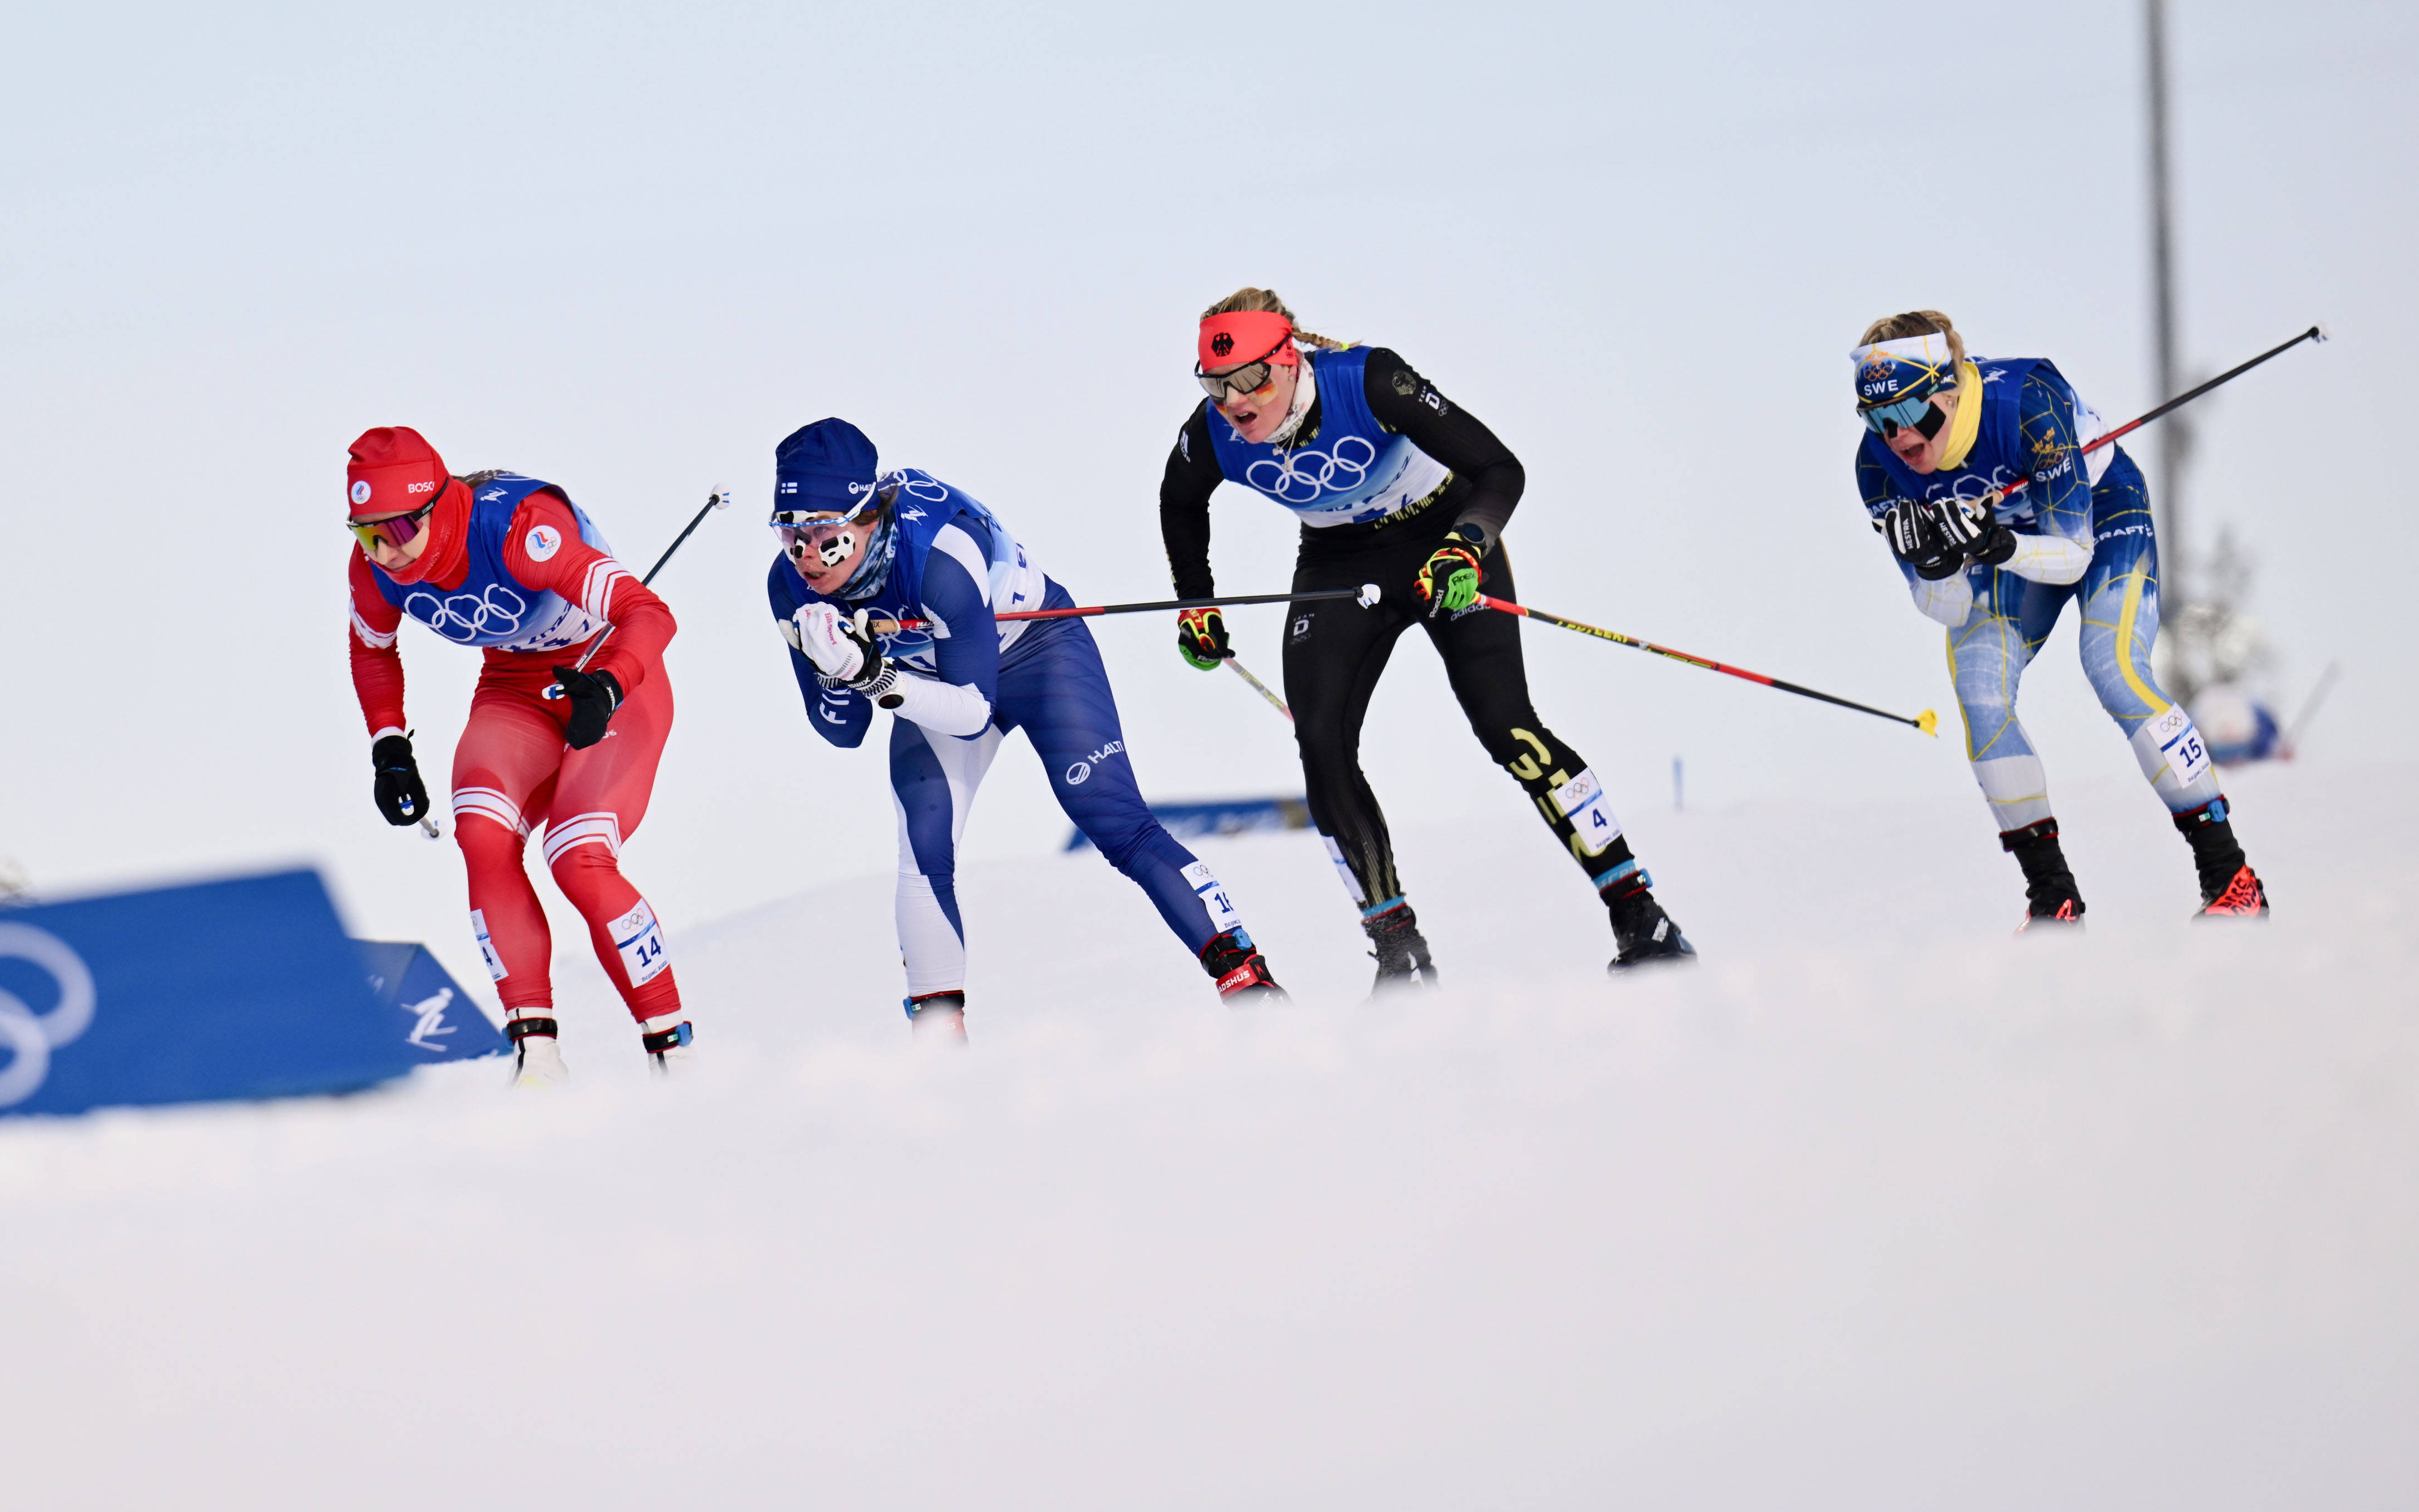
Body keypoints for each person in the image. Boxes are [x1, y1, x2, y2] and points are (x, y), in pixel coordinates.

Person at [1160, 289, 1692, 985]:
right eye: (1216, 384)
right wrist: (1195, 604)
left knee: (1506, 726)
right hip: (1337, 564)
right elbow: (1179, 500)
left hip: (1440, 542)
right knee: (1320, 744)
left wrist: (1466, 544)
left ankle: (1638, 912)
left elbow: (1500, 469)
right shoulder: (1211, 433)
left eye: (1252, 378)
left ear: (1289, 359)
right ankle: (1399, 951)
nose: (1235, 401)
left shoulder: (1369, 380)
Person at [766, 418, 1282, 1037]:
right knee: (923, 848)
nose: (806, 556)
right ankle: (938, 1042)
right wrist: (834, 671)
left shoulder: (938, 555)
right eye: (789, 534)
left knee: (1113, 819)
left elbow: (971, 714)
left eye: (824, 534)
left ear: (868, 516)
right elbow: (843, 732)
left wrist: (872, 674)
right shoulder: (789, 586)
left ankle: (1248, 980)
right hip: (931, 679)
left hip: (1037, 651)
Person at [1850, 310, 2267, 923]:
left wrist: (1994, 545)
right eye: (1876, 418)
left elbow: (2072, 555)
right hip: (2004, 541)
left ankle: (2231, 876)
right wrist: (1934, 566)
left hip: (2099, 513)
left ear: (1949, 390)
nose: (1896, 436)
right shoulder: (1876, 468)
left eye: (1909, 411)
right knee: (1980, 693)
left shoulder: (2025, 405)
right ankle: (2053, 897)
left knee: (2113, 668)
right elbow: (1948, 609)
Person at [342, 425, 695, 1081]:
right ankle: (537, 1057)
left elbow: (649, 614)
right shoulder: (374, 572)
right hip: (513, 687)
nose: (384, 553)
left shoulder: (519, 531)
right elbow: (372, 649)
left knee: (577, 856)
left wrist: (610, 683)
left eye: (397, 531)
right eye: (366, 535)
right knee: (480, 832)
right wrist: (388, 745)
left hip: (608, 676)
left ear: (434, 507)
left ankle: (673, 1052)